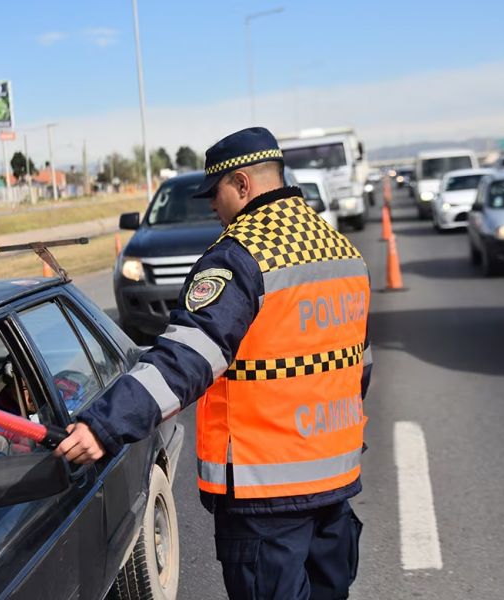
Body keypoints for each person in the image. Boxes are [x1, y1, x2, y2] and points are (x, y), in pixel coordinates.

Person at [55, 127, 372, 599]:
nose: (211, 205)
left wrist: (104, 425)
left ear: (242, 185)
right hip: (334, 483)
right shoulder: (338, 248)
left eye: (216, 192)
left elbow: (186, 358)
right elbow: (357, 365)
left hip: (266, 492)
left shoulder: (241, 255)